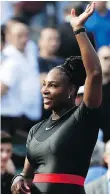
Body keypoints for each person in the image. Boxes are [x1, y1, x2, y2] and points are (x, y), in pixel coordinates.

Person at [11, 3, 102, 194]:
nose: (45, 90)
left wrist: (78, 29)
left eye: (53, 85)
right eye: (44, 84)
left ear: (71, 90)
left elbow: (94, 73)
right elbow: (27, 175)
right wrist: (19, 178)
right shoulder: (36, 129)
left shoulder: (82, 117)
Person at [0, 22, 41, 134]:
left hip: (29, 114)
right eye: (19, 36)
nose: (24, 39)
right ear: (8, 36)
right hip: (10, 116)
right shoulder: (8, 58)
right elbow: (2, 88)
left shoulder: (30, 51)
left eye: (26, 35)